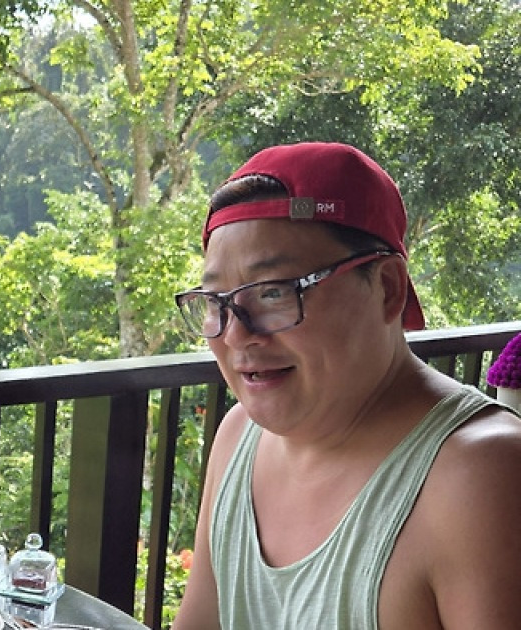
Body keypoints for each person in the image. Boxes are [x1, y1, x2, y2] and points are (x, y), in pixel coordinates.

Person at [170, 142, 521, 629]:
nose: (234, 334)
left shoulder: (480, 474)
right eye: (215, 301)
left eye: (274, 292)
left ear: (387, 289)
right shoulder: (238, 438)